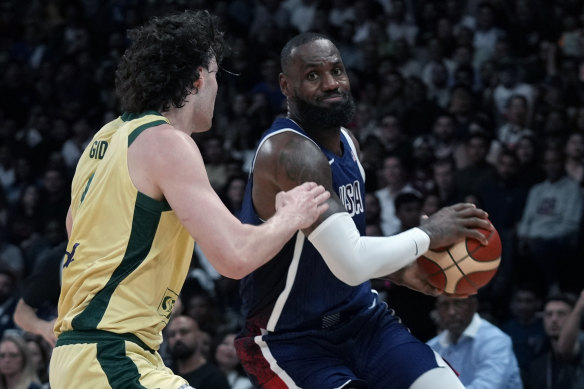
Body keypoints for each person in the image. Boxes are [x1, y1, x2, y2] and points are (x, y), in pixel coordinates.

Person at [49, 11, 330, 389]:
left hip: (77, 357)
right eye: (216, 76)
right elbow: (234, 255)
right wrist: (290, 215)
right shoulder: (167, 141)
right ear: (198, 78)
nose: (218, 88)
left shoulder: (104, 139)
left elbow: (76, 230)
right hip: (110, 355)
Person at [235, 32, 492, 389]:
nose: (330, 84)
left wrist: (397, 270)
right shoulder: (289, 153)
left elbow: (341, 246)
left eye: (337, 71)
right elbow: (351, 261)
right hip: (292, 340)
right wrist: (429, 233)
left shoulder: (349, 144)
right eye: (313, 76)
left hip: (363, 320)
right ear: (285, 85)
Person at [427, 295, 524, 388]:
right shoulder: (433, 347)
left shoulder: (496, 341)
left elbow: (487, 387)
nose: (451, 312)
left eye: (458, 303)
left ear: (473, 305)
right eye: (444, 305)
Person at [524, 293, 584, 389]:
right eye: (549, 314)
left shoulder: (581, 342)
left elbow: (566, 350)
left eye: (561, 314)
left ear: (573, 319)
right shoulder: (537, 362)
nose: (554, 319)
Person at [166, 315, 230, 389]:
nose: (177, 338)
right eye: (172, 334)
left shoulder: (215, 378)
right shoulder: (165, 373)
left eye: (184, 332)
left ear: (198, 336)